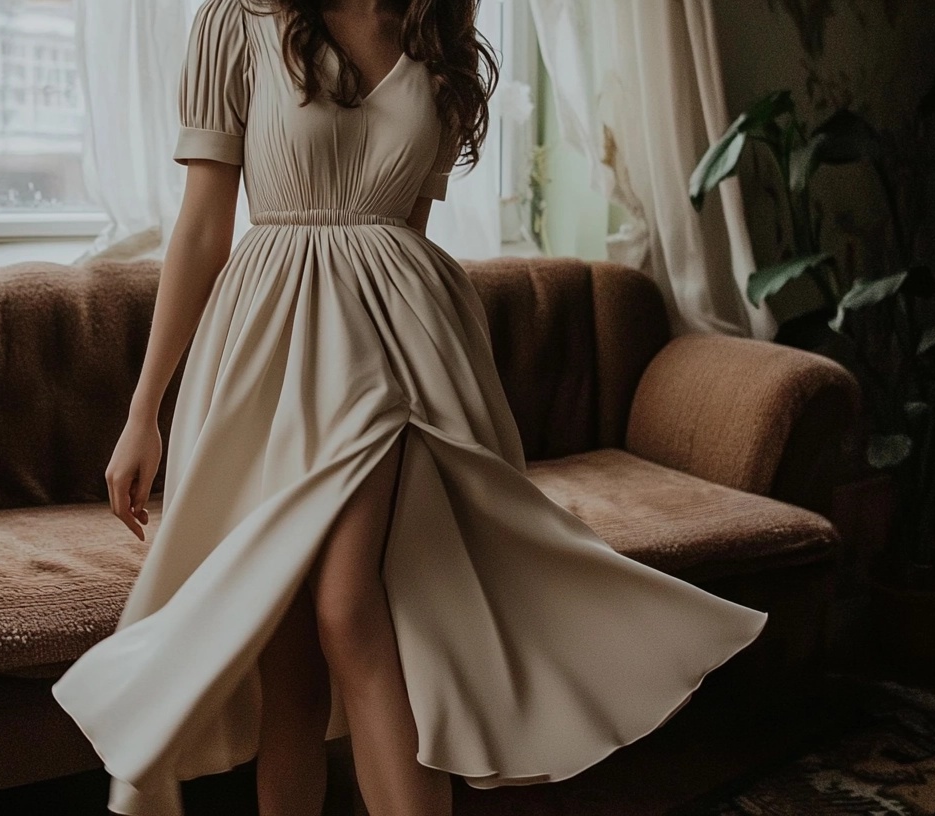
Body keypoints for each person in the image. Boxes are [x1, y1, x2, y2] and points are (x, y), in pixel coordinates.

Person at [52, 1, 771, 814]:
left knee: (349, 607)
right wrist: (145, 408)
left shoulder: (440, 32)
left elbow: (405, 232)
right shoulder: (238, 17)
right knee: (285, 668)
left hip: (396, 350)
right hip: (264, 357)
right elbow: (203, 228)